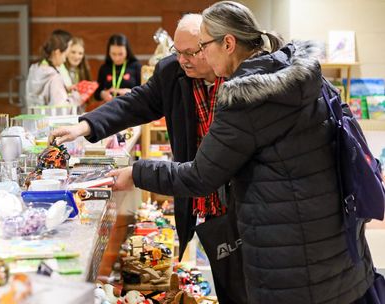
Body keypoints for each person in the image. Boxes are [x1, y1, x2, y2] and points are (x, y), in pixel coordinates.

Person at [105, 2, 375, 303]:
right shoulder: (304, 75)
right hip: (338, 243)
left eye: (204, 46)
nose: (200, 55)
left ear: (229, 44)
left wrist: (137, 172)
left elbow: (199, 176)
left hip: (287, 259)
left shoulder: (245, 100)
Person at [51, 13, 218, 266]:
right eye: (177, 51)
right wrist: (84, 126)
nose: (182, 60)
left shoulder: (235, 78)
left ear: (211, 46)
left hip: (237, 199)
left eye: (190, 52)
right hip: (197, 193)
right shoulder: (172, 71)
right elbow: (134, 104)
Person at [25, 33, 80, 107]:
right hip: (49, 118)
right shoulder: (54, 77)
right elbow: (61, 107)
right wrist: (77, 98)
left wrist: (64, 88)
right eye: (65, 55)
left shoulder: (34, 69)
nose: (64, 60)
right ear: (57, 53)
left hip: (33, 116)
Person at [94, 33, 141, 102]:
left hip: (130, 108)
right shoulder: (104, 68)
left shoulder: (136, 66)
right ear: (108, 52)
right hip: (109, 108)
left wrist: (130, 92)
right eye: (113, 54)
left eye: (120, 54)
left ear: (127, 51)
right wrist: (103, 94)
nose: (117, 58)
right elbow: (96, 94)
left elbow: (143, 92)